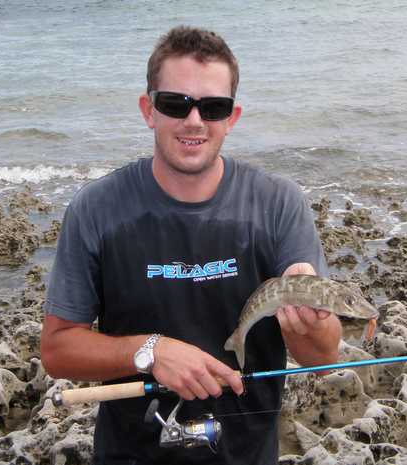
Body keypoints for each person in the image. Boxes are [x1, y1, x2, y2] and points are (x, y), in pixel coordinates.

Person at [40, 26, 342, 465]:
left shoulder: (279, 203)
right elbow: (57, 350)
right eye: (175, 103)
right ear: (149, 110)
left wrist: (310, 323)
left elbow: (324, 356)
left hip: (248, 453)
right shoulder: (96, 209)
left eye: (213, 107)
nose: (194, 120)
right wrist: (151, 351)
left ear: (232, 117)